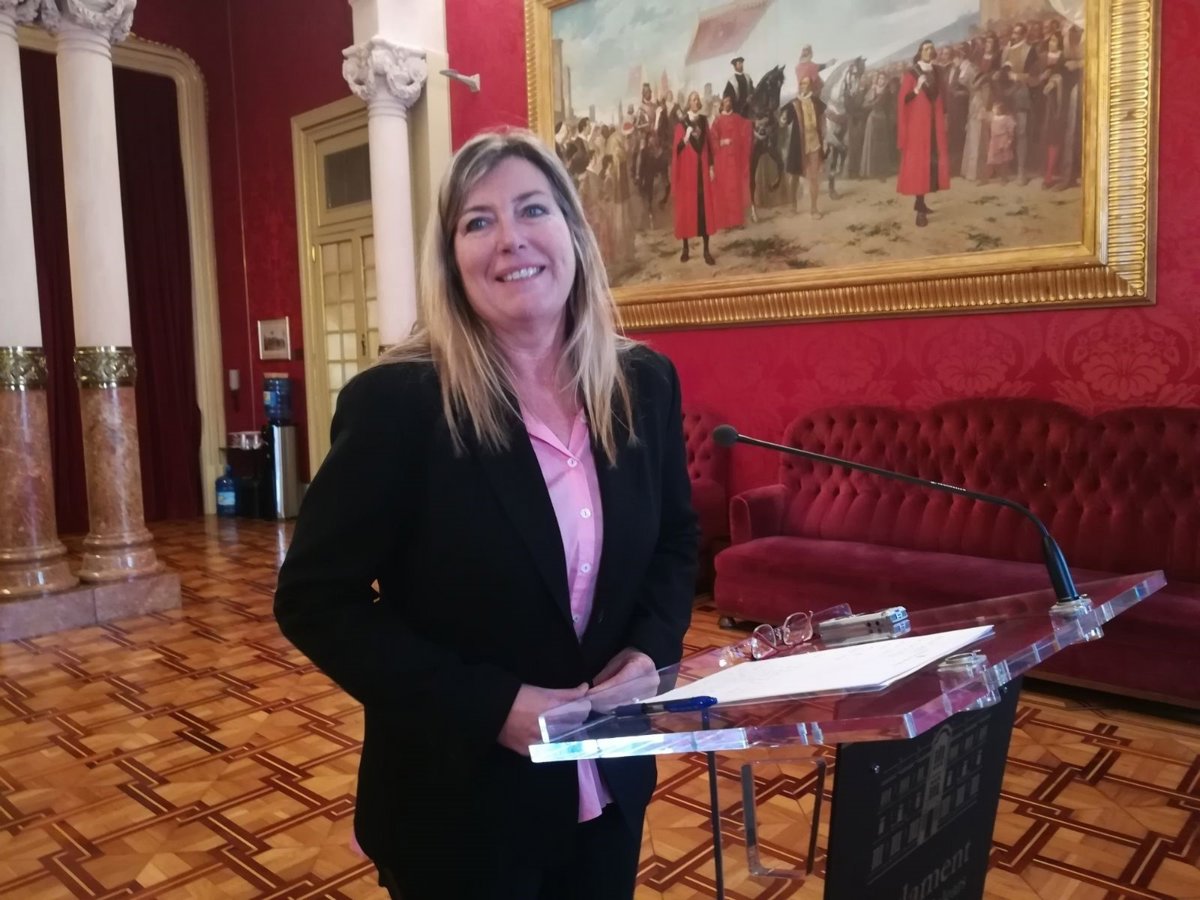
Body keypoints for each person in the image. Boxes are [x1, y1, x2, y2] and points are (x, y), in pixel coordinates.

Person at [274, 128, 699, 899]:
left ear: (574, 231)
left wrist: (650, 649)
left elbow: (675, 540)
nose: (510, 239)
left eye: (532, 209)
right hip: (459, 808)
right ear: (451, 260)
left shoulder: (644, 383)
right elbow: (315, 600)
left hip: (608, 785)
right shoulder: (398, 405)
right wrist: (491, 706)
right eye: (478, 221)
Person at [897, 39, 950, 227]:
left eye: (931, 48)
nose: (929, 51)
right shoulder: (912, 73)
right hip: (918, 127)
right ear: (920, 52)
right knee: (920, 166)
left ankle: (921, 202)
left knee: (931, 165)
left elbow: (941, 95)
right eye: (925, 48)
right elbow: (903, 100)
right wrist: (917, 88)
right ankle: (920, 210)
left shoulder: (937, 71)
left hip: (934, 124)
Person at [671, 90, 717, 264]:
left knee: (704, 211)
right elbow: (676, 150)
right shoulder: (681, 125)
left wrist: (711, 166)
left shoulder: (704, 121)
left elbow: (709, 146)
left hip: (702, 171)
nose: (696, 102)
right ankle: (685, 249)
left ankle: (706, 250)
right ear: (689, 103)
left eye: (697, 99)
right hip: (687, 173)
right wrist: (686, 136)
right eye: (693, 99)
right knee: (686, 210)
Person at [780, 75, 826, 216]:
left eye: (806, 83)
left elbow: (822, 120)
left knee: (814, 177)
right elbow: (783, 121)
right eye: (802, 83)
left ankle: (814, 209)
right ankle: (793, 207)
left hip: (814, 143)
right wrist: (783, 119)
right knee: (794, 176)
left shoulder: (816, 103)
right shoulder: (793, 104)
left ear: (810, 86)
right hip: (798, 144)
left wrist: (824, 138)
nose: (803, 86)